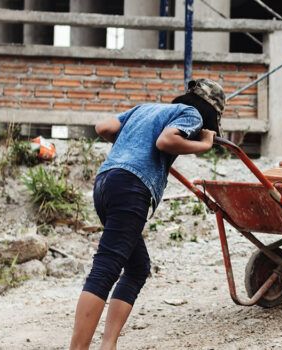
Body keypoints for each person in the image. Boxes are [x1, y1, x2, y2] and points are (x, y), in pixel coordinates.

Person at [69, 79, 226, 350]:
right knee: (106, 268)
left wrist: (131, 146)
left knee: (137, 267)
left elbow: (103, 127)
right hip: (132, 187)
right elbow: (167, 141)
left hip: (106, 183)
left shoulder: (144, 109)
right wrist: (204, 145)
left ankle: (109, 345)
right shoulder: (192, 114)